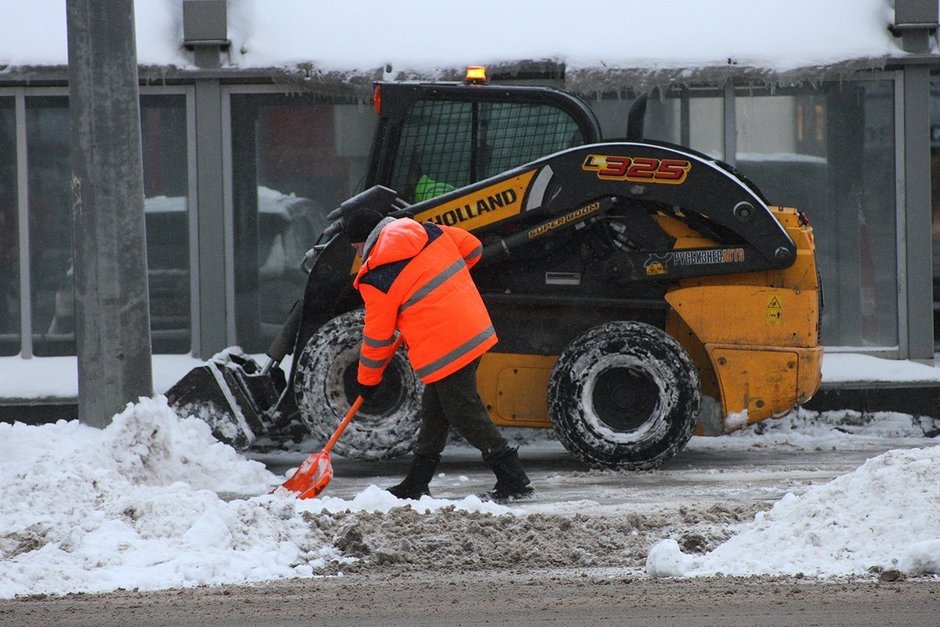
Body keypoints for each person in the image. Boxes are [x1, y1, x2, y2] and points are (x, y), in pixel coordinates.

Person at [343, 207, 534, 503]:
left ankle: (513, 477)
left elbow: (377, 337)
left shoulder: (378, 276)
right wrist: (446, 288)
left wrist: (367, 380)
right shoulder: (430, 232)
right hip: (472, 327)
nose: (358, 256)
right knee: (434, 408)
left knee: (462, 410)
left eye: (356, 248)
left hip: (445, 345)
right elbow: (473, 247)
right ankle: (417, 482)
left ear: (366, 240)